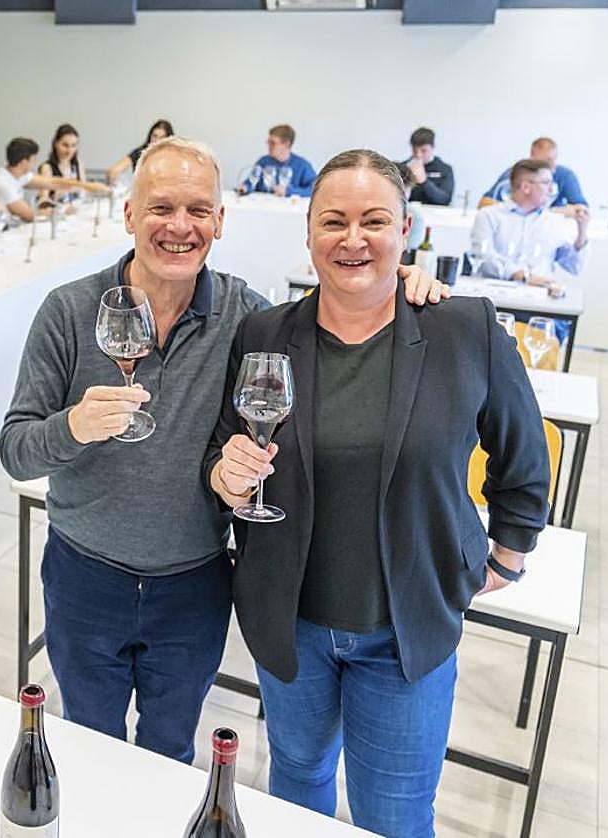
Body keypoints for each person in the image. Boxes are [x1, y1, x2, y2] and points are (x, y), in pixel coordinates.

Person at [0, 137, 445, 766]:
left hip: (195, 585)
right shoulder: (70, 312)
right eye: (160, 208)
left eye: (197, 210)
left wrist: (397, 282)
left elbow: (340, 319)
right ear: (129, 216)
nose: (179, 227)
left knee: (169, 752)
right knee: (88, 749)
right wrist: (72, 426)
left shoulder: (248, 318)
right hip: (83, 577)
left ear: (219, 222)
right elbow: (16, 453)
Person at [208, 149, 549, 838]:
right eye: (333, 221)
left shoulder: (463, 328)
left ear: (405, 229)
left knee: (391, 816)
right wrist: (225, 472)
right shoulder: (266, 332)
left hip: (405, 631)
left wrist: (508, 555)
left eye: (374, 220)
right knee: (296, 785)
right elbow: (222, 449)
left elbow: (523, 456)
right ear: (308, 233)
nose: (353, 239)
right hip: (292, 625)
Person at [470, 158, 589, 286]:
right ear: (526, 187)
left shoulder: (554, 221)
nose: (551, 190)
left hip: (540, 299)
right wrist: (523, 277)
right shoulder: (489, 216)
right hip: (495, 295)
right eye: (546, 183)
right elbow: (483, 258)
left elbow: (574, 267)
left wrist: (582, 230)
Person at [0, 138, 109, 225]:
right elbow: (30, 215)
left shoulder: (16, 173)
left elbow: (52, 182)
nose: (34, 163)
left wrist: (87, 186)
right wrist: (62, 210)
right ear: (23, 162)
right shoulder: (2, 184)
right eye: (33, 160)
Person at [480, 137, 588, 218]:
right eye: (544, 161)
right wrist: (515, 210)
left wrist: (546, 212)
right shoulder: (516, 173)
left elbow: (582, 210)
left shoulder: (566, 176)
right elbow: (485, 203)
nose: (550, 166)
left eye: (552, 160)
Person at [238, 124, 317, 198]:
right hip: (264, 207)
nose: (268, 146)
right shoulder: (263, 161)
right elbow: (250, 182)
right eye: (268, 142)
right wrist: (245, 187)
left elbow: (315, 190)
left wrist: (289, 191)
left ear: (286, 144)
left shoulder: (302, 165)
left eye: (272, 143)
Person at [398, 127, 455, 206]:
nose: (418, 155)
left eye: (423, 151)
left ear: (433, 147)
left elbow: (445, 200)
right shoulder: (404, 167)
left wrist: (424, 181)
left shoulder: (445, 169)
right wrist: (408, 181)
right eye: (415, 151)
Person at [105, 119, 173, 184]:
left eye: (162, 138)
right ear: (150, 136)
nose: (157, 141)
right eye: (155, 136)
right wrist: (113, 176)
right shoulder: (140, 153)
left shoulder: (173, 156)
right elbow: (114, 170)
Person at [38, 123, 91, 206]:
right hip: (57, 212)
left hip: (78, 209)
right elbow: (44, 199)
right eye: (65, 145)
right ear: (56, 143)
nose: (69, 150)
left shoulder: (78, 163)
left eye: (73, 146)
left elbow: (84, 189)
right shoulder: (47, 168)